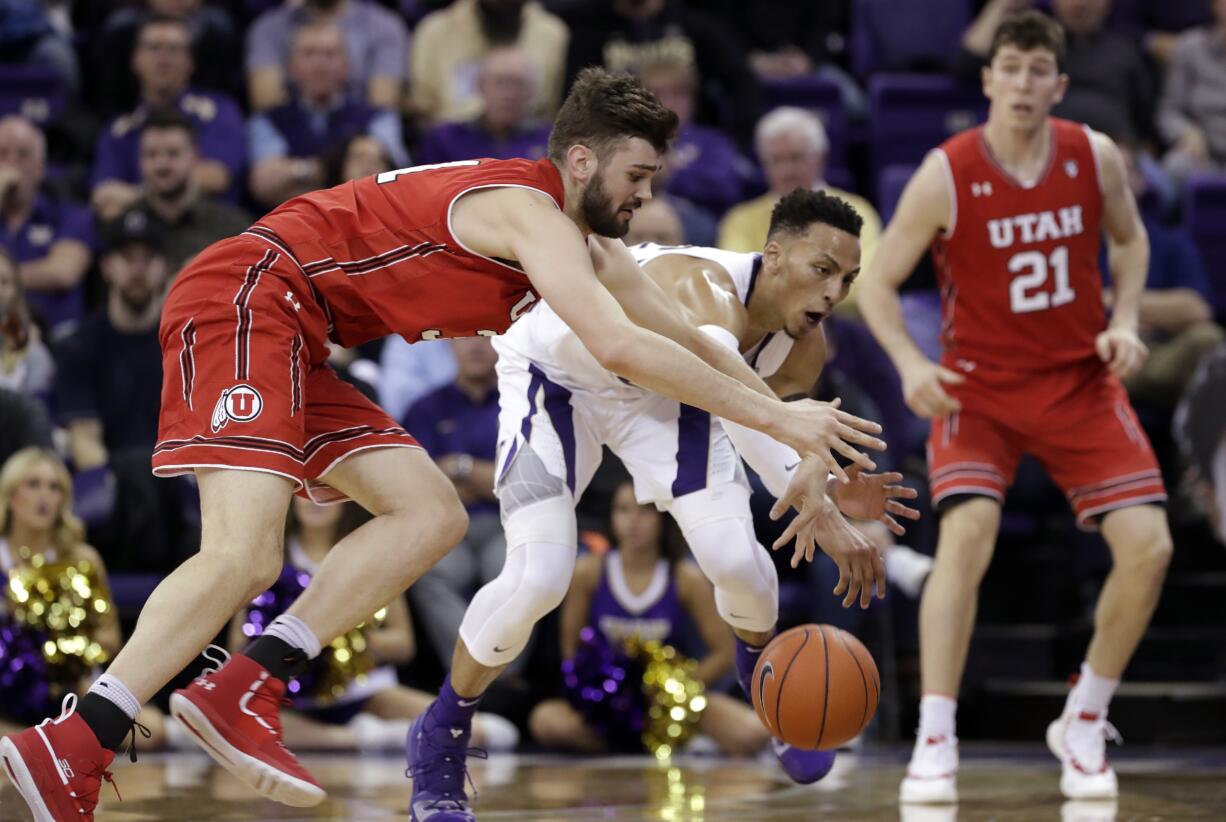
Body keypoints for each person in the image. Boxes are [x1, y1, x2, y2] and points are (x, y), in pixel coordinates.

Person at [0, 68, 881, 819]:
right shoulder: (531, 213)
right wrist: (781, 420)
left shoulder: (584, 240)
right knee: (244, 556)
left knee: (429, 515)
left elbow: (681, 339)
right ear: (581, 159)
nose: (647, 197)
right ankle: (75, 743)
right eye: (638, 175)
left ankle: (242, 686)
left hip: (301, 335)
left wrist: (791, 427)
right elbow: (618, 349)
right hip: (249, 295)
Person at [406, 187, 917, 819]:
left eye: (848, 278)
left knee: (735, 561)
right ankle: (442, 732)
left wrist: (824, 485)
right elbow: (747, 399)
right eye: (823, 271)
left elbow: (782, 424)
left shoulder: (803, 345)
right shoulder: (707, 287)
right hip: (559, 380)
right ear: (775, 256)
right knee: (538, 577)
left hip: (671, 397)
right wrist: (830, 509)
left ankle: (770, 680)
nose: (835, 293)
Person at [856, 11, 1173, 804]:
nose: (1025, 84)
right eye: (1012, 68)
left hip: (1076, 380)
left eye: (1040, 71)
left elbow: (1131, 242)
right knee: (968, 532)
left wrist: (1127, 320)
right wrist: (908, 363)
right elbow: (877, 280)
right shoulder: (947, 172)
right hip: (981, 387)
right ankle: (935, 734)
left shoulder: (1092, 156)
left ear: (1059, 86)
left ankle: (1085, 718)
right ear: (988, 78)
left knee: (1152, 546)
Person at [226, 496, 518, 753]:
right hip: (284, 699)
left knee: (473, 732)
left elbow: (403, 644)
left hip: (362, 692)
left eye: (325, 491)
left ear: (346, 497)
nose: (313, 500)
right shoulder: (268, 557)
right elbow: (238, 647)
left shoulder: (370, 555)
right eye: (304, 491)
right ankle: (357, 739)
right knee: (232, 722)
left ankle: (368, 733)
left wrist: (340, 645)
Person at [529, 480, 771, 758]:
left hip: (670, 703)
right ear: (610, 516)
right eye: (622, 510)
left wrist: (673, 688)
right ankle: (663, 744)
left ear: (662, 517)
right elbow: (571, 651)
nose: (633, 522)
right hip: (605, 704)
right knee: (545, 721)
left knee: (753, 732)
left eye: (644, 511)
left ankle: (658, 739)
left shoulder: (685, 578)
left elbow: (725, 652)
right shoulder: (588, 572)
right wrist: (602, 691)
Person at [0, 448, 167, 747]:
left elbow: (110, 636)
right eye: (33, 484)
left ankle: (40, 743)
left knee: (152, 730)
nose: (45, 496)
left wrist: (67, 652)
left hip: (71, 687)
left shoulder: (82, 558)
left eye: (55, 487)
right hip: (7, 688)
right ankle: (52, 742)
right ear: (11, 495)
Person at [717, 107, 880, 315]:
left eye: (796, 158)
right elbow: (739, 285)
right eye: (776, 160)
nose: (787, 171)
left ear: (820, 158)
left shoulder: (857, 211)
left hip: (840, 327)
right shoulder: (740, 220)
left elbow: (863, 285)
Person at [91, 15, 246, 218]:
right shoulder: (120, 129)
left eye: (174, 49)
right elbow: (103, 195)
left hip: (207, 229)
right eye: (154, 48)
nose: (164, 59)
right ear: (136, 60)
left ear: (190, 62)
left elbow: (216, 177)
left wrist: (139, 194)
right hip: (142, 236)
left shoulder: (219, 111)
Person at [247, 20, 408, 209]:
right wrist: (337, 169)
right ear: (292, 66)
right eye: (309, 54)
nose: (320, 64)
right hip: (291, 227)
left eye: (330, 54)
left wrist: (297, 173)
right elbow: (264, 186)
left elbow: (392, 178)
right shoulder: (268, 120)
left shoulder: (378, 118)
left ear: (346, 66)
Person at [124, 109, 250, 278]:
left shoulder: (232, 229)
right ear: (140, 161)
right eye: (151, 155)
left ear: (195, 156)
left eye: (173, 153)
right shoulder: (123, 229)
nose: (161, 164)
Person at [0, 115, 93, 335]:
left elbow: (64, 272)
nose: (12, 162)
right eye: (2, 153)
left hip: (58, 337)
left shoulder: (71, 214)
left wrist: (5, 280)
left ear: (41, 167)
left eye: (23, 154)